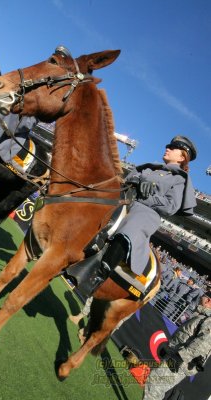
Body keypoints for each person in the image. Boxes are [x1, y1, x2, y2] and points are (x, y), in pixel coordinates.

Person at [86, 135, 197, 295]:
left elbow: (171, 206)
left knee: (132, 227)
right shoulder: (151, 167)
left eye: (173, 148)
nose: (168, 148)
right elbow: (131, 177)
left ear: (182, 157)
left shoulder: (179, 180)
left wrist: (146, 195)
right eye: (168, 145)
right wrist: (137, 181)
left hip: (146, 213)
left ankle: (99, 274)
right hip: (127, 199)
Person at [143, 292, 211, 400]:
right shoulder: (202, 316)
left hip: (180, 362)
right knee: (154, 384)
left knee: (154, 386)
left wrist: (180, 357)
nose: (199, 298)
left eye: (202, 296)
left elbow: (202, 345)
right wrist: (168, 350)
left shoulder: (209, 320)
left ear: (208, 300)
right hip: (175, 357)